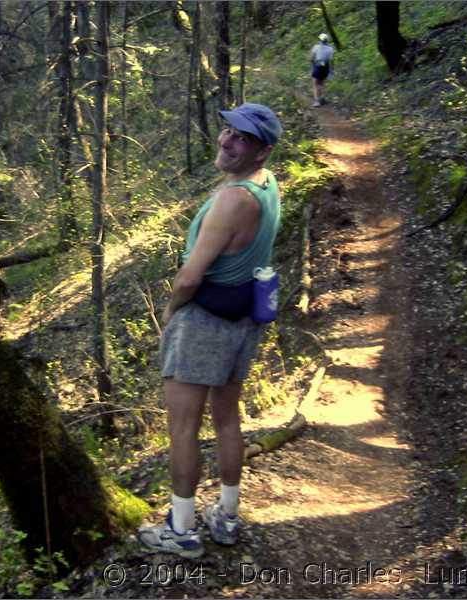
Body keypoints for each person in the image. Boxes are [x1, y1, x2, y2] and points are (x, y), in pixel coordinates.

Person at [137, 103, 282, 558]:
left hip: (204, 321)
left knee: (182, 427)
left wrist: (169, 314)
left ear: (263, 150)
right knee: (226, 418)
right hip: (243, 318)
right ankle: (226, 515)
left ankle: (181, 529)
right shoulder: (266, 185)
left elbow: (188, 278)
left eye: (241, 138)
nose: (226, 140)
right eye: (227, 130)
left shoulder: (232, 199)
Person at [310, 33, 335, 107]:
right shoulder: (330, 49)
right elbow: (331, 61)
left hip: (317, 66)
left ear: (320, 39)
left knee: (315, 84)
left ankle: (316, 101)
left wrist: (312, 66)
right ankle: (322, 98)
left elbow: (311, 58)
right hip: (325, 67)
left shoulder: (316, 47)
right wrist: (331, 70)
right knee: (321, 83)